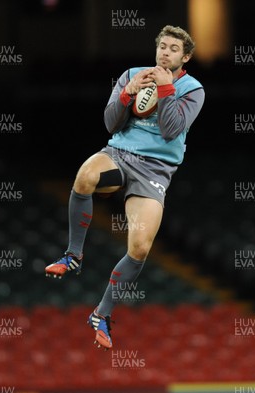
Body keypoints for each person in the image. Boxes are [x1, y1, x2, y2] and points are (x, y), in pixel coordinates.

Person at [45, 25, 205, 350]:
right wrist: (126, 92)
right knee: (84, 177)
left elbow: (172, 130)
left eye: (174, 49)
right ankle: (73, 255)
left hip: (155, 171)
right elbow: (109, 122)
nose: (165, 52)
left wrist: (164, 90)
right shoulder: (132, 73)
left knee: (141, 248)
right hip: (119, 155)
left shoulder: (192, 89)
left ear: (185, 56)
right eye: (162, 46)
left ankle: (102, 315)